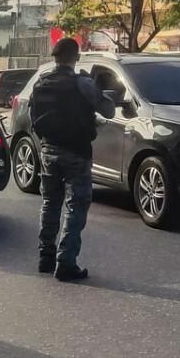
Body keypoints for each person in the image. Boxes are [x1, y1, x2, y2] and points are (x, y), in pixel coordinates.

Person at [28, 38, 115, 282]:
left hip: (48, 150)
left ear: (56, 57)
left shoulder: (41, 82)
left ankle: (45, 256)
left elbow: (33, 115)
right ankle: (65, 263)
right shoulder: (83, 83)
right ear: (76, 57)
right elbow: (108, 111)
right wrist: (99, 89)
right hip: (76, 153)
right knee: (76, 206)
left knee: (50, 202)